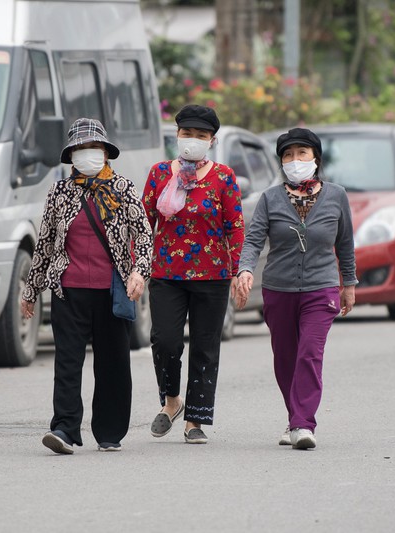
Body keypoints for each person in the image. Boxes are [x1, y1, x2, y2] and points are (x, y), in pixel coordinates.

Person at [20, 118, 153, 454]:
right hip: (69, 290)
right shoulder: (60, 192)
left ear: (105, 153)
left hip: (113, 291)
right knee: (67, 361)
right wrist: (31, 290)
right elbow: (46, 243)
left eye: (93, 148)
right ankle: (64, 429)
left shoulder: (122, 188)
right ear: (71, 155)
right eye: (80, 149)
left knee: (112, 363)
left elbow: (145, 235)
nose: (87, 154)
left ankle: (109, 430)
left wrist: (139, 271)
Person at [235, 127, 357, 450]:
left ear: (315, 158)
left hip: (322, 289)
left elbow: (345, 243)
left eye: (302, 153)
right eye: (288, 155)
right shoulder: (270, 199)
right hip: (279, 290)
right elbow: (253, 239)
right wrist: (245, 270)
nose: (295, 160)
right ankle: (294, 418)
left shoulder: (336, 196)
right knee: (285, 358)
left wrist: (349, 283)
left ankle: (304, 424)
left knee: (309, 353)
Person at [142, 104, 244, 444]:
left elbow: (236, 228)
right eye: (188, 134)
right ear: (177, 135)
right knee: (165, 341)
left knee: (205, 346)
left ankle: (195, 421)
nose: (193, 140)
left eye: (201, 136)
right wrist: (137, 269)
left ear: (211, 140)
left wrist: (239, 271)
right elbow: (144, 226)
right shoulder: (159, 174)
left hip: (213, 276)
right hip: (167, 274)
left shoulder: (224, 177)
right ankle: (172, 401)